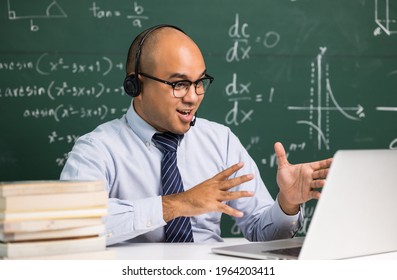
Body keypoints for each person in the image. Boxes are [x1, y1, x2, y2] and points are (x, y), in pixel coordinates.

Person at [60, 24, 332, 246]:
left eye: (199, 82)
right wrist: (176, 204)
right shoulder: (96, 149)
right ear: (136, 84)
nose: (192, 97)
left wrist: (287, 203)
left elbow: (263, 236)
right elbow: (73, 228)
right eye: (179, 84)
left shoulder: (220, 141)